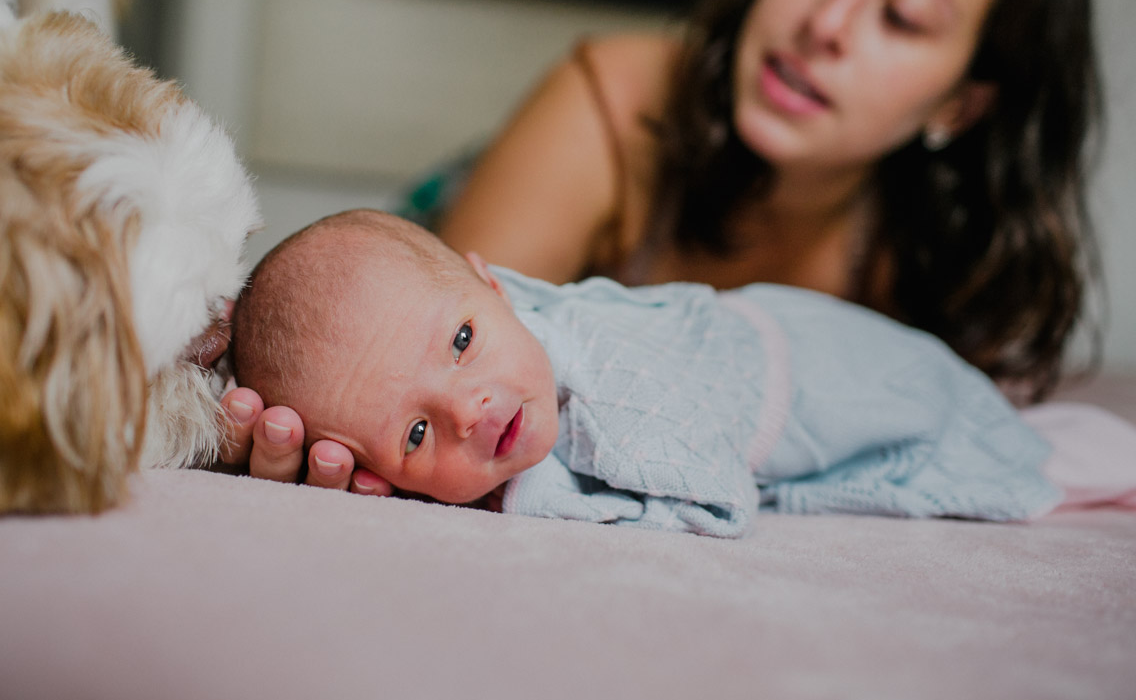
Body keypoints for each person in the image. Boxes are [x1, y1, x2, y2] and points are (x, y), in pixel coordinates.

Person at [221, 0, 1101, 497]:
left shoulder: (945, 252)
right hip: (407, 249)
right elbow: (429, 364)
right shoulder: (612, 104)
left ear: (962, 105)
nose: (825, 20)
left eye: (903, 16)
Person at [229, 209, 1062, 537]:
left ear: (495, 286)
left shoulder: (605, 372)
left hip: (827, 367)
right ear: (379, 479)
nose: (468, 409)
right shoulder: (499, 360)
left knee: (978, 438)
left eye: (460, 343)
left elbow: (717, 500)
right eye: (414, 434)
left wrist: (519, 494)